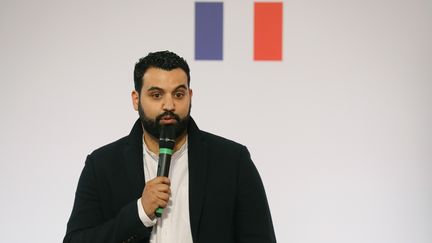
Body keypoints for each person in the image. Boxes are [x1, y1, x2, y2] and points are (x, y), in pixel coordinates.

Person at [63, 51, 276, 243]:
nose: (169, 105)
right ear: (136, 100)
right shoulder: (102, 165)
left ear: (190, 97)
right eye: (156, 95)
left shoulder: (232, 161)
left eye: (178, 94)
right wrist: (139, 213)